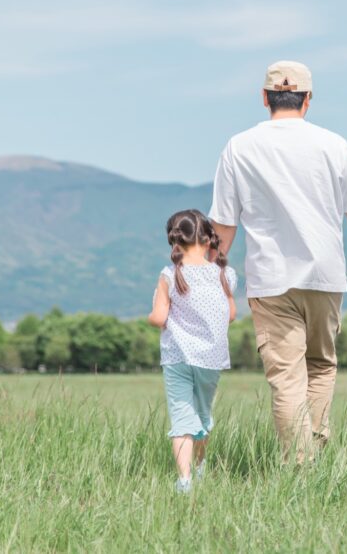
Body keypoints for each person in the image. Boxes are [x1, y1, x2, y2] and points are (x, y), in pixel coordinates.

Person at [208, 60, 347, 463]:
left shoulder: (239, 146)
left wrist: (215, 273)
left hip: (270, 281)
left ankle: (300, 465)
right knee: (321, 367)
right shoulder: (333, 144)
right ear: (308, 99)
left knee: (287, 379)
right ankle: (313, 461)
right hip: (325, 276)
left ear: (264, 98)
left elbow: (223, 223)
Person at [148, 209, 237, 493]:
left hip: (177, 358)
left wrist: (151, 315)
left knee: (182, 419)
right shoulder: (225, 275)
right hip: (211, 360)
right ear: (209, 240)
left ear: (174, 242)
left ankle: (184, 480)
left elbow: (160, 318)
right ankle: (200, 467)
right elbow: (231, 314)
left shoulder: (169, 275)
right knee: (203, 414)